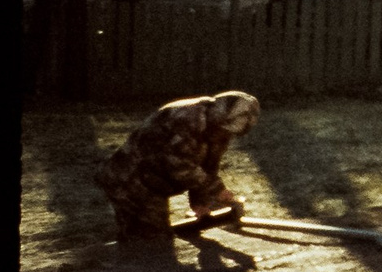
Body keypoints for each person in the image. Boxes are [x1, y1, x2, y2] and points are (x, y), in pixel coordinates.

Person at [95, 91, 262, 238]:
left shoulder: (219, 131)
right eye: (224, 129)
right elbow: (179, 165)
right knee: (150, 240)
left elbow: (207, 167)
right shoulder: (186, 119)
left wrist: (200, 203)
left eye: (230, 132)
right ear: (218, 117)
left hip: (154, 181)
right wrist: (217, 190)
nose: (226, 135)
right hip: (129, 179)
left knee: (158, 239)